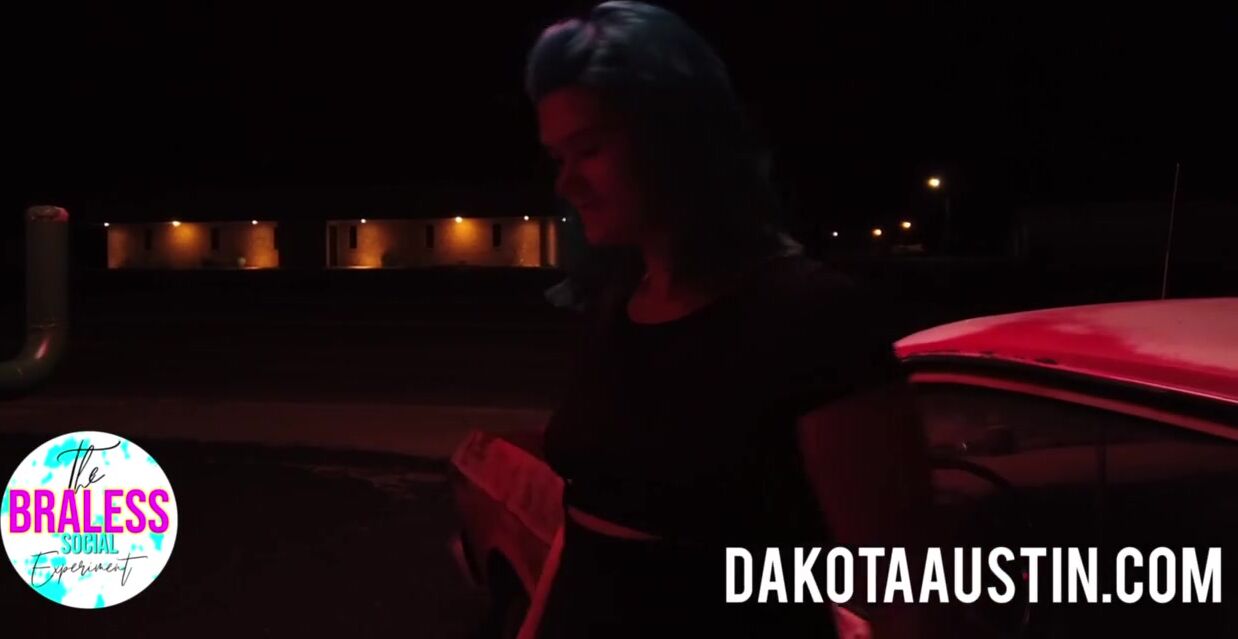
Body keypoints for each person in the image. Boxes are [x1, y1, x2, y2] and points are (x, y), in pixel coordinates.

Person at [517, 3, 934, 637]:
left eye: (590, 149)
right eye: (558, 158)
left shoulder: (813, 319)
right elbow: (587, 528)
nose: (566, 183)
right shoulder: (620, 304)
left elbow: (906, 593)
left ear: (678, 139)